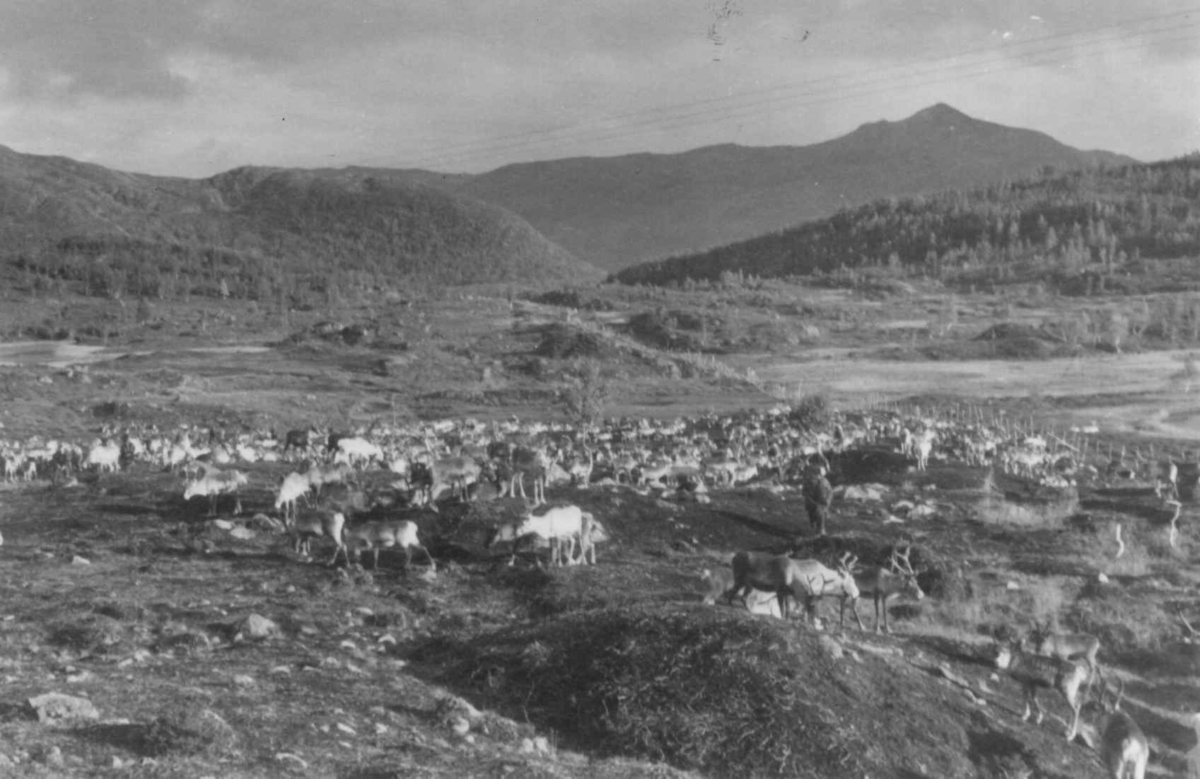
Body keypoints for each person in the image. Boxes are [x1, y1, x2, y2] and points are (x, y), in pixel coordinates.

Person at [804, 464, 833, 537]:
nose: (819, 475)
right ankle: (816, 529)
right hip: (813, 503)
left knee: (820, 516)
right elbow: (805, 492)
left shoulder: (825, 481)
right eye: (818, 473)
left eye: (820, 474)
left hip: (822, 503)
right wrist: (810, 501)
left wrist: (827, 502)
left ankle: (820, 531)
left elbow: (830, 492)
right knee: (813, 517)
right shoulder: (810, 481)